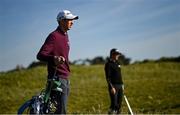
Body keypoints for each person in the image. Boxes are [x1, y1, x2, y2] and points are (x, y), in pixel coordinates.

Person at [37, 10, 78, 114]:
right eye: (70, 20)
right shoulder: (54, 36)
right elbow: (40, 55)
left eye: (73, 20)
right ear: (62, 21)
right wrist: (54, 58)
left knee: (59, 110)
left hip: (65, 77)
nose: (72, 22)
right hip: (57, 78)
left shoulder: (65, 35)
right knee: (61, 111)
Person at [104, 48, 124, 114]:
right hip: (113, 86)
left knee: (119, 104)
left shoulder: (118, 63)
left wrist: (122, 84)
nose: (118, 56)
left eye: (118, 54)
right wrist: (111, 87)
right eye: (117, 54)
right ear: (112, 55)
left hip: (120, 85)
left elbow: (119, 75)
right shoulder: (108, 64)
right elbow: (108, 77)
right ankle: (110, 113)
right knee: (114, 104)